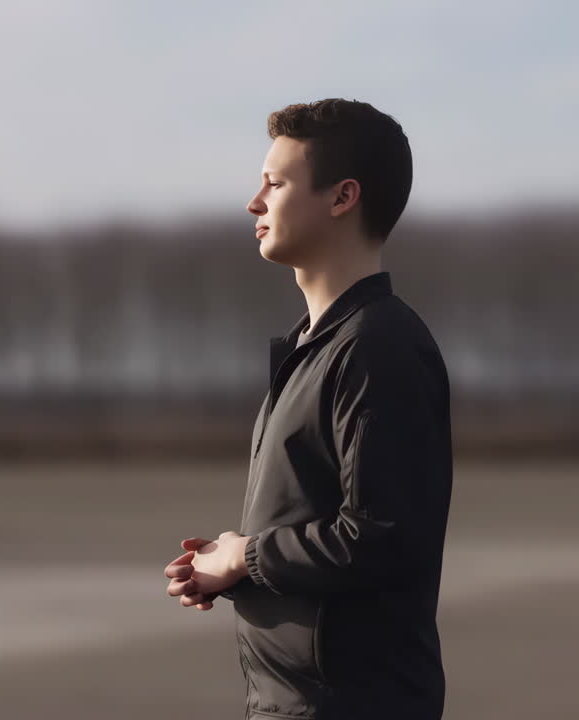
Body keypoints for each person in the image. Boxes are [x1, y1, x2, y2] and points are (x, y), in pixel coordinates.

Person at [162, 98, 453, 719]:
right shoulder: (314, 348)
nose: (254, 202)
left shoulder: (378, 347)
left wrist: (249, 554)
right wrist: (233, 565)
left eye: (275, 182)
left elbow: (382, 539)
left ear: (342, 197)